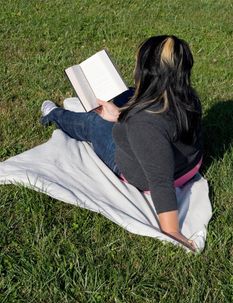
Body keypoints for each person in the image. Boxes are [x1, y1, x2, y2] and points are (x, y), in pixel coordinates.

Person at [40, 35, 203, 252]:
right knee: (123, 95)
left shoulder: (144, 123)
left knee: (93, 122)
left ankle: (54, 114)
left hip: (138, 169)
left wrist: (172, 231)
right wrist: (122, 115)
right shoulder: (186, 96)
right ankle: (109, 109)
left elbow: (160, 181)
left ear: (145, 72)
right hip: (189, 164)